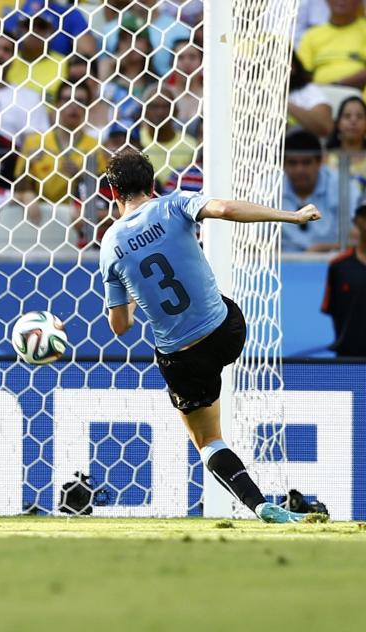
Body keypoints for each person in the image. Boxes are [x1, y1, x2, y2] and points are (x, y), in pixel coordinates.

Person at [99, 147, 323, 523]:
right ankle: (267, 506)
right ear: (151, 183)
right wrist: (292, 216)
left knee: (208, 441)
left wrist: (137, 298)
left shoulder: (111, 246)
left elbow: (119, 326)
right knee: (212, 294)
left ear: (112, 191)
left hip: (183, 359)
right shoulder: (174, 205)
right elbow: (227, 210)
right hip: (228, 332)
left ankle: (258, 505)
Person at [281, 129, 358, 252]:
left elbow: (356, 237)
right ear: (283, 164)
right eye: (292, 163)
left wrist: (321, 249)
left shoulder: (343, 187)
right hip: (281, 263)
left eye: (306, 163)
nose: (299, 169)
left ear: (319, 162)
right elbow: (258, 239)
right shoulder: (268, 189)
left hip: (331, 261)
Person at [321, 202, 366, 357]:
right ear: (357, 221)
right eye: (365, 216)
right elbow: (331, 308)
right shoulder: (338, 266)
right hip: (348, 359)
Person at [296, 0, 366, 89]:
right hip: (319, 97)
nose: (341, 1)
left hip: (358, 97)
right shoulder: (312, 35)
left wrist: (336, 85)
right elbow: (303, 74)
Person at [325, 96, 366, 194]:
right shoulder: (324, 158)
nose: (353, 121)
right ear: (338, 123)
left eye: (360, 116)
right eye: (347, 116)